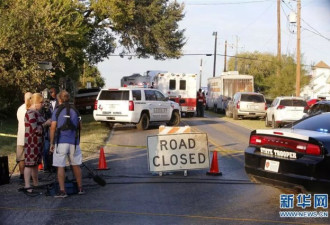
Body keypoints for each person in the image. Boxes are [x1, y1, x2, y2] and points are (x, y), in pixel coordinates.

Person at [50, 90, 84, 198]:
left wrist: (51, 143)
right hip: (73, 142)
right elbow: (80, 126)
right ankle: (80, 188)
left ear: (59, 99)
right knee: (76, 165)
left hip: (61, 142)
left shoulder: (56, 111)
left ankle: (62, 190)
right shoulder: (75, 110)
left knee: (60, 166)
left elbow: (53, 128)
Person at [23, 93, 49, 192]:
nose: (42, 104)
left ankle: (35, 183)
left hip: (38, 143)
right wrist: (45, 124)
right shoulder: (30, 113)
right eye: (41, 102)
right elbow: (35, 129)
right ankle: (27, 185)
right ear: (36, 103)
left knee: (35, 164)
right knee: (29, 164)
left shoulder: (37, 113)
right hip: (31, 144)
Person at [16, 92, 32, 181]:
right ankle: (29, 175)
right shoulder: (31, 109)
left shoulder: (20, 108)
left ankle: (22, 175)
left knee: (21, 158)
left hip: (20, 137)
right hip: (28, 137)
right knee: (30, 157)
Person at [42, 87, 58, 172]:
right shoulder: (44, 104)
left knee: (55, 147)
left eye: (52, 92)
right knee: (46, 147)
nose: (51, 94)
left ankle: (55, 165)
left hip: (57, 128)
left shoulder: (58, 102)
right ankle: (46, 166)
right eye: (50, 92)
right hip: (47, 129)